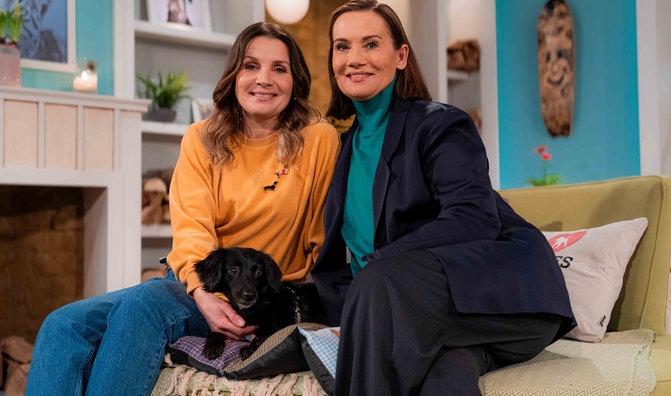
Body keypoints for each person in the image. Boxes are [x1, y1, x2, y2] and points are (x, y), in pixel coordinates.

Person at [26, 22, 340, 395]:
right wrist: (201, 294)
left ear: (295, 80)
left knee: (145, 303)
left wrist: (306, 309)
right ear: (234, 74)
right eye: (251, 66)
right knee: (62, 325)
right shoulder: (201, 138)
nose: (264, 79)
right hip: (200, 287)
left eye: (279, 68)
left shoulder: (318, 139)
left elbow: (326, 238)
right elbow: (192, 229)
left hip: (260, 294)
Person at [310, 1, 576, 395]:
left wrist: (380, 265)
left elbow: (473, 218)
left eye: (370, 44)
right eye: (342, 46)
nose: (354, 59)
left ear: (400, 56)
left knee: (377, 283)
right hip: (423, 309)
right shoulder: (344, 149)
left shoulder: (439, 123)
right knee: (444, 371)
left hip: (507, 296)